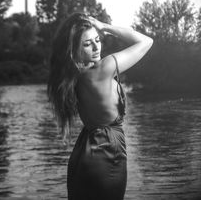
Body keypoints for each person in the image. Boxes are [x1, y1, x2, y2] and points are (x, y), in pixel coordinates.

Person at [47, 12, 153, 200]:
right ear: (74, 50)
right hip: (106, 155)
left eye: (98, 39)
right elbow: (146, 41)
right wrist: (105, 26)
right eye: (87, 44)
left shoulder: (73, 77)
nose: (97, 47)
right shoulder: (103, 69)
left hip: (82, 155)